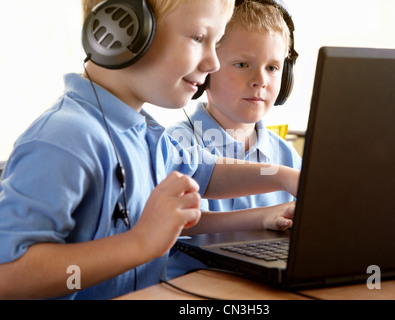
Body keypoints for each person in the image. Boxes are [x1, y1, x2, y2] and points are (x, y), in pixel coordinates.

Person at [0, 0, 299, 300]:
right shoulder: (65, 138)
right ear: (125, 29)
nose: (213, 63)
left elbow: (206, 173)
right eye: (199, 38)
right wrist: (139, 243)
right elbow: (10, 276)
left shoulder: (144, 133)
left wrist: (284, 177)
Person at [165, 0, 301, 278]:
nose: (260, 80)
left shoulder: (287, 155)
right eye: (242, 64)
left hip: (262, 284)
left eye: (273, 68)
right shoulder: (176, 143)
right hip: (194, 284)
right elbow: (180, 226)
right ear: (206, 70)